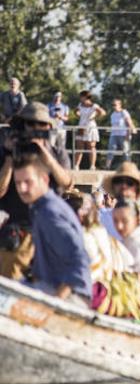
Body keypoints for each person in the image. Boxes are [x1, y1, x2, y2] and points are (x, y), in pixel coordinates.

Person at [0, 102, 73, 279]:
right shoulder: (7, 150)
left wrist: (45, 155)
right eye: (31, 124)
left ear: (49, 127)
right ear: (22, 125)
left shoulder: (55, 149)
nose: (36, 129)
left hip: (49, 225)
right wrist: (10, 156)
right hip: (18, 228)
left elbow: (67, 183)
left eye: (42, 125)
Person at [12, 155, 90, 300]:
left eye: (28, 182)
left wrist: (57, 301)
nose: (22, 188)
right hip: (49, 286)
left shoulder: (50, 212)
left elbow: (80, 260)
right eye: (18, 183)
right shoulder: (40, 208)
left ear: (45, 179)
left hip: (70, 297)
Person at [74, 90, 105, 170]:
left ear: (85, 97)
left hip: (90, 127)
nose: (80, 98)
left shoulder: (93, 105)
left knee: (91, 146)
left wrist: (94, 117)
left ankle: (92, 165)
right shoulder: (80, 105)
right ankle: (76, 165)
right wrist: (79, 116)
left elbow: (102, 112)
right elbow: (76, 111)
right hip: (81, 126)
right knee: (79, 146)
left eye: (81, 96)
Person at [105, 98, 136, 168]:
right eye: (112, 105)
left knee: (126, 151)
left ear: (120, 105)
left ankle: (128, 167)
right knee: (111, 149)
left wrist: (128, 133)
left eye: (115, 105)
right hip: (114, 134)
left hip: (123, 134)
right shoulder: (112, 114)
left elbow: (129, 122)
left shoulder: (124, 112)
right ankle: (107, 166)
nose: (114, 106)